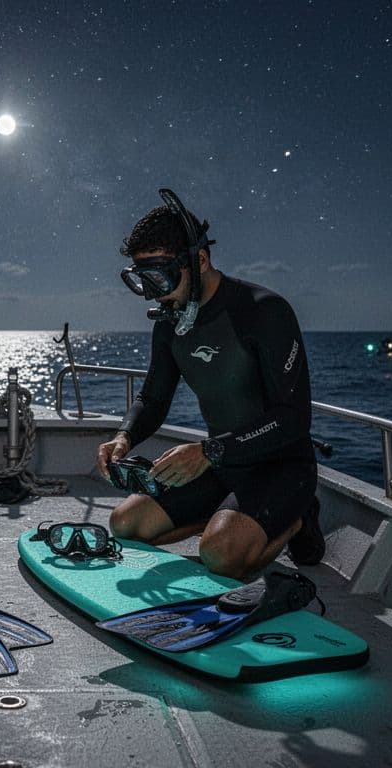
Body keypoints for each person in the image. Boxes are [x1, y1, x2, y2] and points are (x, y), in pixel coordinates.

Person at [96, 190, 324, 578]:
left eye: (160, 278)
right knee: (125, 523)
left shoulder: (264, 311)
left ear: (199, 260)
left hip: (281, 466)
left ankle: (299, 519)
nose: (154, 295)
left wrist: (208, 451)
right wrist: (124, 437)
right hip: (221, 465)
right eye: (142, 283)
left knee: (220, 555)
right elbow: (153, 398)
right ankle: (226, 517)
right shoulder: (171, 322)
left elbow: (293, 419)